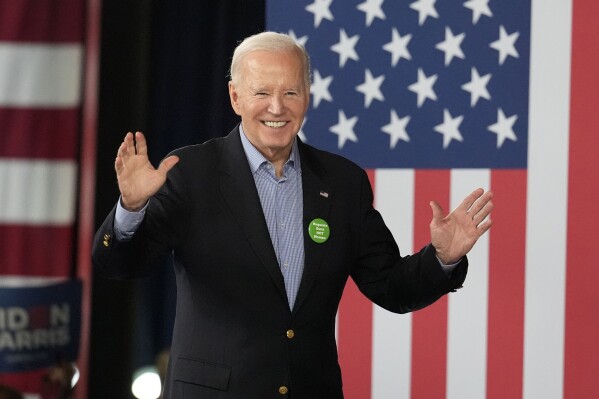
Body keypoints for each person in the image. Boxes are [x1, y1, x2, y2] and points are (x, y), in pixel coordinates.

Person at [92, 31, 493, 398]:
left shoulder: (342, 182)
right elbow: (122, 265)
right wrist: (132, 208)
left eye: (291, 92)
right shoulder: (190, 173)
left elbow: (391, 286)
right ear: (235, 98)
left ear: (308, 95)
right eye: (261, 92)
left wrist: (443, 257)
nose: (277, 108)